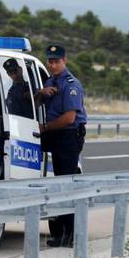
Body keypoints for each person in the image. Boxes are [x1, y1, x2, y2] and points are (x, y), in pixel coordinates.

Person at [36, 45, 87, 247]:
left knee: (66, 186)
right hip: (55, 136)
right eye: (50, 61)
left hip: (68, 137)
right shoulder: (49, 82)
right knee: (58, 185)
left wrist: (45, 127)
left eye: (56, 61)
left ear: (64, 60)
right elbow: (36, 102)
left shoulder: (70, 84)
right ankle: (59, 233)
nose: (53, 64)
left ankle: (70, 235)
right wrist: (41, 92)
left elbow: (69, 118)